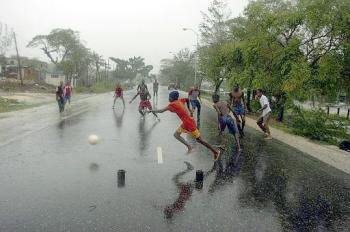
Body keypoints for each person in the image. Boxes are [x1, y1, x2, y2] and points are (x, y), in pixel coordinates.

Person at [151, 91, 220, 161]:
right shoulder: (179, 100)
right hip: (186, 122)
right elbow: (187, 99)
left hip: (189, 124)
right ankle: (189, 147)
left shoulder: (172, 104)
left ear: (172, 98)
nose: (168, 98)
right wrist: (189, 108)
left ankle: (215, 152)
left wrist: (152, 110)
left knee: (200, 140)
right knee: (176, 135)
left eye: (169, 97)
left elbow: (161, 111)